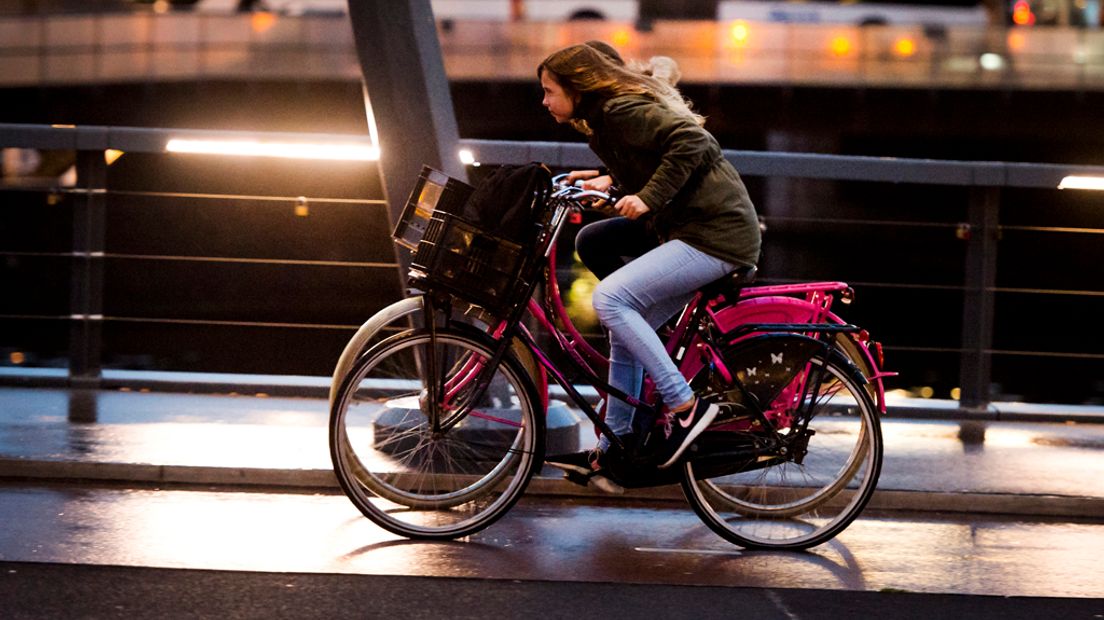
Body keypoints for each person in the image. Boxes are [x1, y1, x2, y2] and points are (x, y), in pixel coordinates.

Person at [539, 43, 761, 482]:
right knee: (623, 316)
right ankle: (615, 446)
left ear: (577, 88)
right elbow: (652, 154)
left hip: (714, 236)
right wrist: (614, 181)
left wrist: (647, 198)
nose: (544, 101)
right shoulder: (605, 119)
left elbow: (693, 141)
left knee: (611, 299)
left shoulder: (619, 112)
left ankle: (686, 407)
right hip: (695, 231)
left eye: (549, 91)